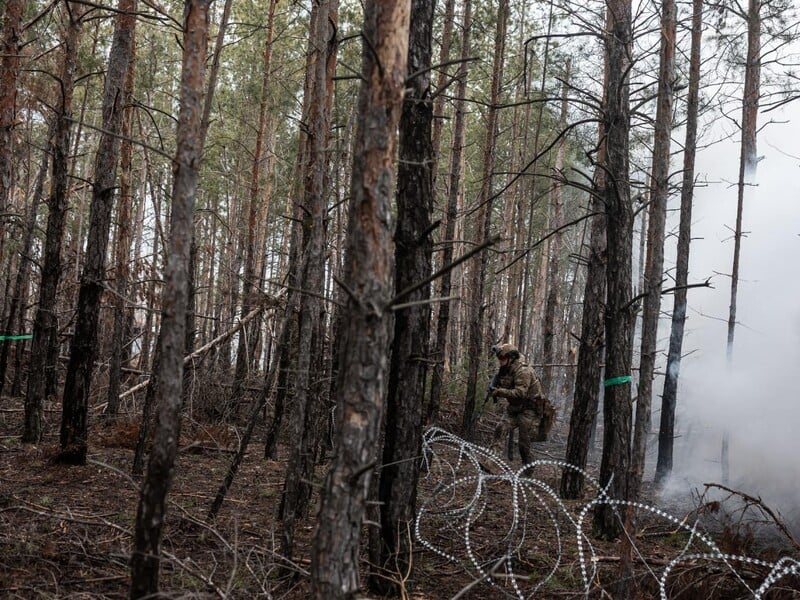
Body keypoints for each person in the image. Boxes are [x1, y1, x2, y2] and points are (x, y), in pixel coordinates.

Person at [489, 343, 547, 464]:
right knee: (500, 428)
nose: (500, 361)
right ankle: (491, 461)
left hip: (529, 409)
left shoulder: (523, 370)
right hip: (514, 408)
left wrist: (500, 392)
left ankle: (528, 468)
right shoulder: (505, 369)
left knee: (523, 444)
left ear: (511, 358)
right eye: (499, 359)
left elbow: (520, 393)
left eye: (503, 359)